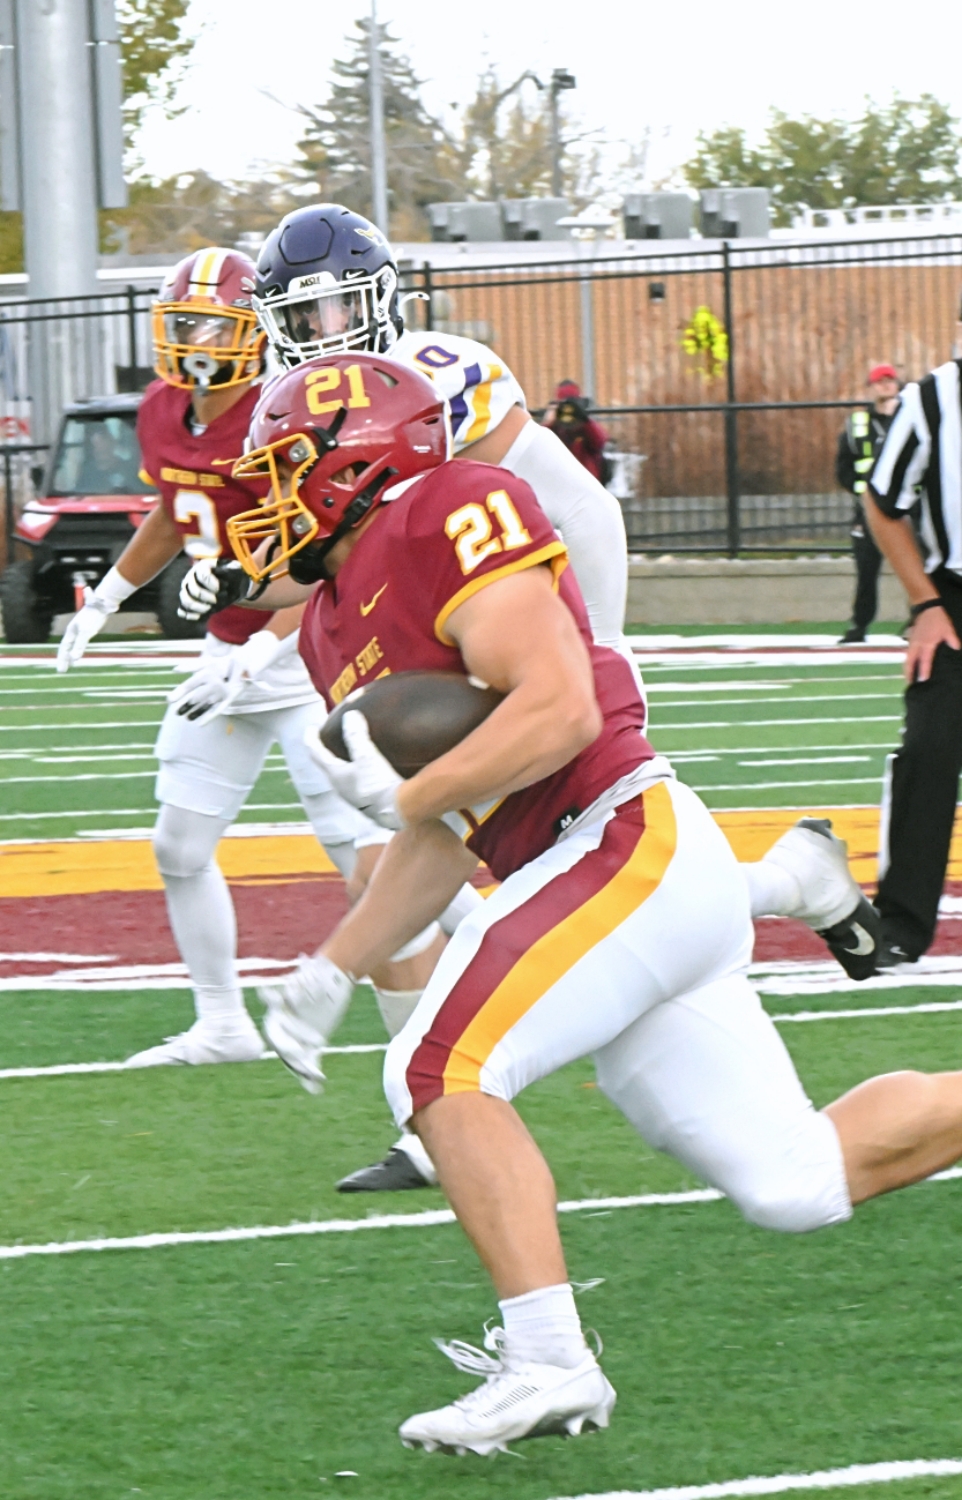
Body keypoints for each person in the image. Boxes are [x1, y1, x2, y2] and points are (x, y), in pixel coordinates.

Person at [224, 351, 962, 1456]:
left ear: (354, 461)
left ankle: (548, 1362)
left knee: (437, 1069)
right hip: (605, 867)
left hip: (619, 835)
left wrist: (413, 789)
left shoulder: (448, 505)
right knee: (795, 1184)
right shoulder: (332, 619)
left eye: (285, 468)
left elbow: (560, 710)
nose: (263, 500)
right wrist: (332, 969)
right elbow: (445, 828)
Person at [184, 203, 883, 1189]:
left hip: (517, 619)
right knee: (489, 849)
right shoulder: (296, 406)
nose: (324, 331)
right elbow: (348, 537)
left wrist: (589, 643)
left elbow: (568, 506)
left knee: (531, 836)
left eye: (340, 304)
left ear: (382, 294)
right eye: (301, 316)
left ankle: (444, 1101)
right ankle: (788, 881)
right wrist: (244, 596)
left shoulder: (442, 371)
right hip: (435, 626)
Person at [54, 247, 377, 1067]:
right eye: (182, 321)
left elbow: (317, 552)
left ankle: (476, 987)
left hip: (309, 659)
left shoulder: (285, 407)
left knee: (365, 855)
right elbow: (174, 508)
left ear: (248, 331)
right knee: (179, 847)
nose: (192, 338)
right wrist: (105, 600)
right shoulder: (164, 407)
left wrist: (261, 652)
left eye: (208, 323)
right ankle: (223, 1023)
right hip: (226, 649)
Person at [863, 336, 962, 968]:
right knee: (930, 749)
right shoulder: (934, 397)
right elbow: (882, 501)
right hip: (954, 597)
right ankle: (899, 923)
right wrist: (926, 606)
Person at [835, 364, 901, 643]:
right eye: (880, 382)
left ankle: (918, 620)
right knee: (866, 570)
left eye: (890, 381)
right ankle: (859, 624)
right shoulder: (858, 424)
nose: (885, 386)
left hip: (906, 508)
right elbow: (844, 467)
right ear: (871, 387)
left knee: (922, 568)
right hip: (868, 509)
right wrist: (863, 493)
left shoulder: (911, 418)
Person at [540, 378, 611, 485]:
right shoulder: (553, 428)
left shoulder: (585, 425)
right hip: (560, 482)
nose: (568, 412)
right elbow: (540, 448)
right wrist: (549, 423)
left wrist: (584, 419)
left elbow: (600, 442)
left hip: (587, 482)